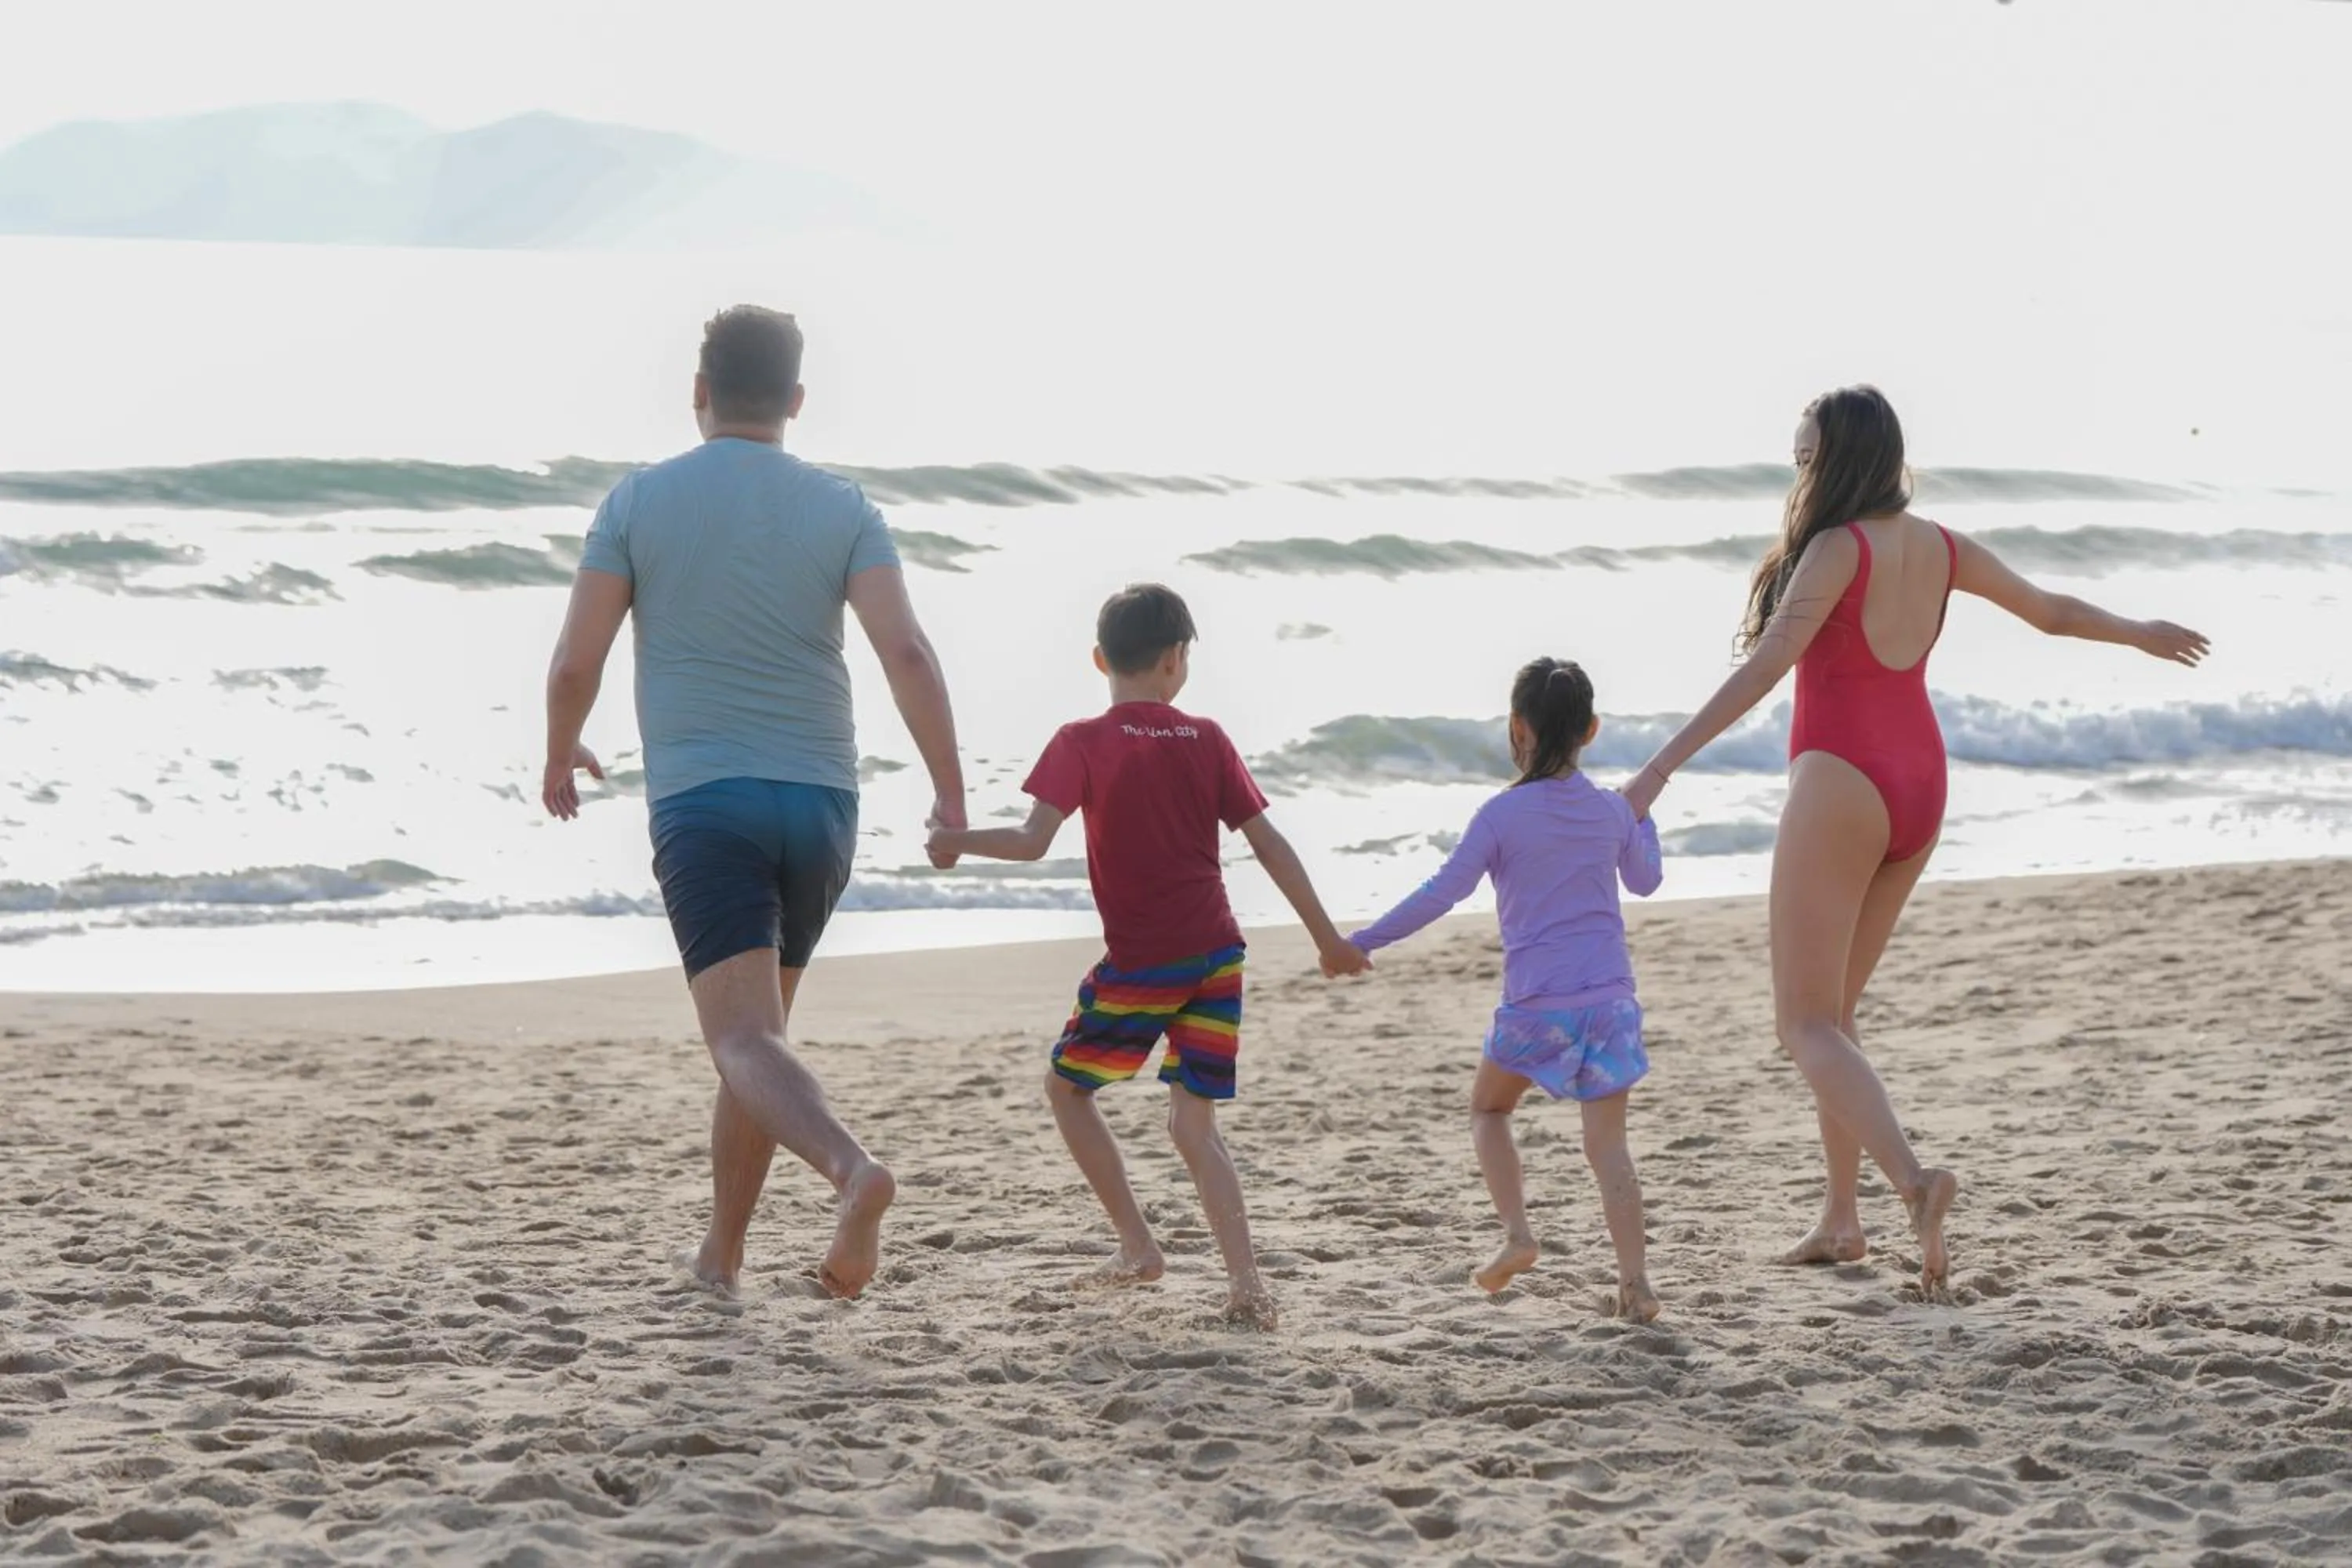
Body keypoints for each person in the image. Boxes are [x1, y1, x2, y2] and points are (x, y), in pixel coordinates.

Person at [1622, 385, 2209, 1292]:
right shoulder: (1940, 545)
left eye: (1808, 453)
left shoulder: (1835, 548)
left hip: (1841, 779)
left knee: (1803, 1021)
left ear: (1844, 456)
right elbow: (2048, 609)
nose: (1799, 468)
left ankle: (1914, 1180)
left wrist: (1658, 769)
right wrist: (2139, 632)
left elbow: (1768, 667)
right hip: (1920, 783)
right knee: (1838, 1017)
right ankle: (1840, 1218)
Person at [540, 305, 967, 1300]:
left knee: (741, 1040)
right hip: (821, 801)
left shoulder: (638, 502)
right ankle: (722, 1254)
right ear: (796, 401)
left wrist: (560, 753)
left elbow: (574, 663)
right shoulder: (843, 506)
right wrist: (949, 793)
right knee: (761, 1040)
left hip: (708, 801)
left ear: (698, 391)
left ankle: (854, 1172)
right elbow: (907, 652)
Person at [926, 584, 1367, 1329]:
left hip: (1143, 962)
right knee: (1195, 1128)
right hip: (1218, 954)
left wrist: (953, 842)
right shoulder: (1209, 738)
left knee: (1068, 1091)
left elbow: (1032, 843)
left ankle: (1137, 1246)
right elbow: (1269, 844)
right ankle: (1246, 1285)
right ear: (1176, 660)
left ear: (1101, 659)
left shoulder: (1080, 741)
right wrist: (1327, 937)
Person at [1346, 659, 1664, 1321]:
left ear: (1517, 727)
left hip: (1536, 1009)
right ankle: (1635, 1283)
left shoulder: (1500, 815)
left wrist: (1364, 941)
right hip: (1609, 1004)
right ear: (1592, 730)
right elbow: (1645, 882)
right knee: (1608, 1146)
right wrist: (1643, 819)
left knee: (1489, 1112)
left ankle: (1518, 1234)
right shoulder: (1611, 810)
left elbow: (1442, 892)